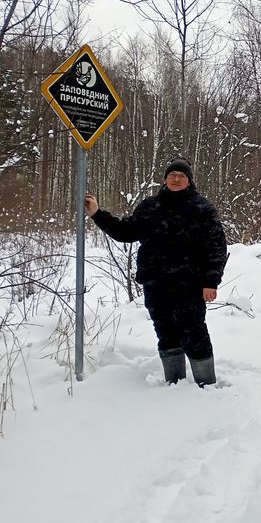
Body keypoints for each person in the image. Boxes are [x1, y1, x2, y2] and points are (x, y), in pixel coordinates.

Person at [84, 158, 228, 387]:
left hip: (189, 284)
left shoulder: (202, 209)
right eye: (173, 175)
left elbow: (216, 247)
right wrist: (97, 214)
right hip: (156, 283)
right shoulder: (150, 207)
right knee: (165, 332)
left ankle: (206, 384)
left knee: (194, 332)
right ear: (165, 179)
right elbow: (126, 231)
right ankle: (174, 383)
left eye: (182, 176)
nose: (177, 179)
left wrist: (211, 281)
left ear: (189, 181)